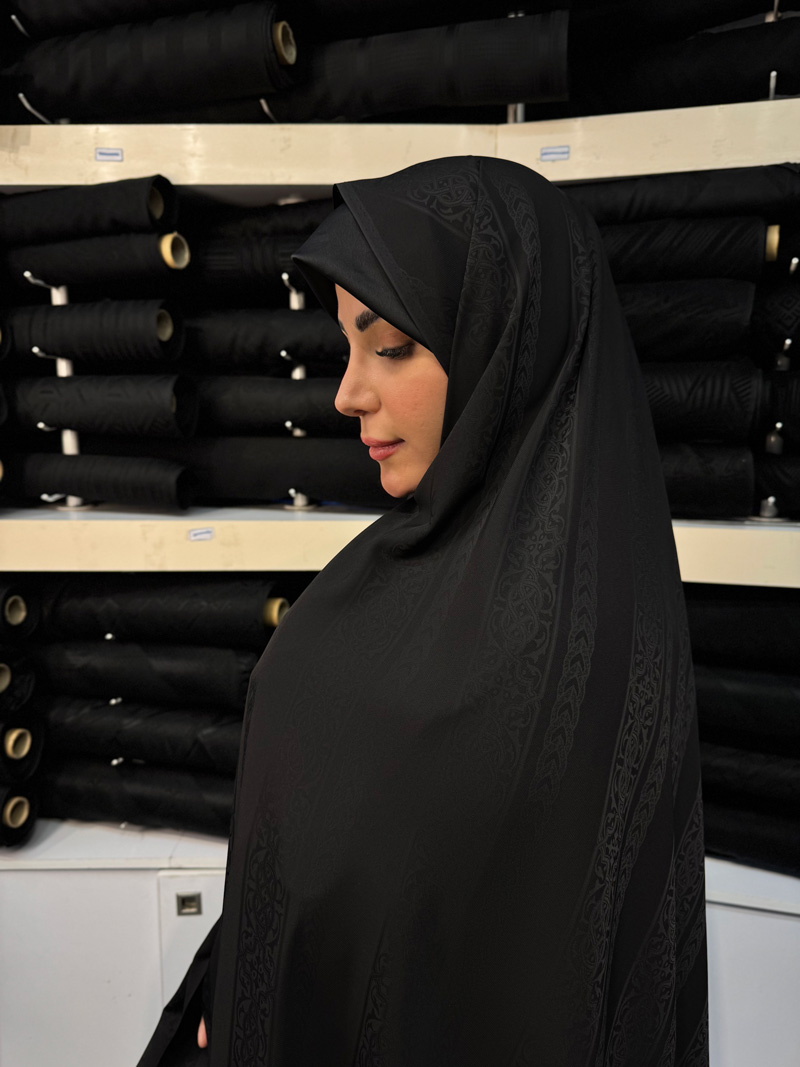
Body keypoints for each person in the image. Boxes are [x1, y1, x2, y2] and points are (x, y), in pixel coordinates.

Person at [138, 156, 708, 1066]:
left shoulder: (585, 651)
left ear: (505, 340)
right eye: (347, 347)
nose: (346, 392)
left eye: (391, 346)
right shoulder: (399, 570)